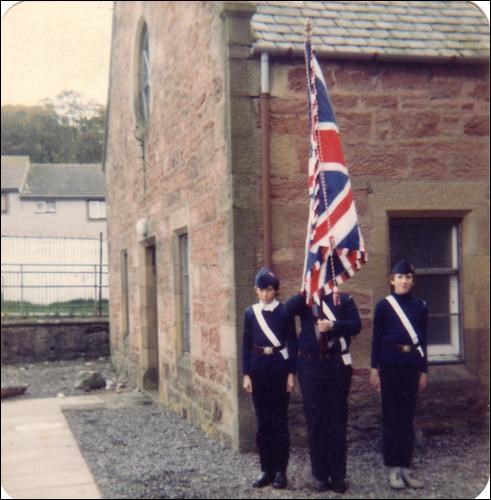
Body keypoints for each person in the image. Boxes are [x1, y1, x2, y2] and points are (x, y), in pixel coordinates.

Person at [285, 289, 361, 494]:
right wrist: (304, 293)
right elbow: (285, 311)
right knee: (315, 419)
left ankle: (337, 475)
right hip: (310, 365)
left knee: (337, 419)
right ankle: (319, 474)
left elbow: (356, 325)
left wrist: (334, 326)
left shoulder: (343, 299)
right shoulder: (305, 299)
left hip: (337, 364)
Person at [370, 259, 428, 490]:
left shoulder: (420, 306)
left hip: (411, 366)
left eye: (408, 277)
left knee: (407, 418)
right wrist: (375, 369)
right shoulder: (384, 306)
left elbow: (424, 340)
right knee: (392, 418)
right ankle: (393, 468)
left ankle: (406, 467)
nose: (404, 281)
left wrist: (424, 370)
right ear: (391, 280)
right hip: (390, 366)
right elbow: (376, 339)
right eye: (399, 277)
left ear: (412, 280)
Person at [242, 267, 298, 489]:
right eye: (261, 290)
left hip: (279, 371)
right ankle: (266, 469)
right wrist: (246, 373)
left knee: (279, 422)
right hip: (258, 371)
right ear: (256, 291)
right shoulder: (250, 313)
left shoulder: (284, 313)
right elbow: (246, 344)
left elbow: (292, 343)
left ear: (275, 291)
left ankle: (281, 472)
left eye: (269, 290)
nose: (265, 294)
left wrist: (291, 373)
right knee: (263, 423)